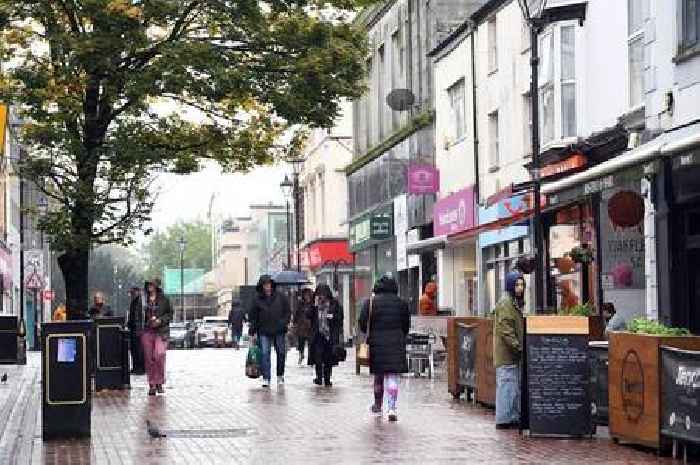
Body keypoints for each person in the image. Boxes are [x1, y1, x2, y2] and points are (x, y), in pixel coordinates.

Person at [358, 275, 410, 422]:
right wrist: (399, 336)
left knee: (378, 376)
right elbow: (406, 325)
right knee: (392, 375)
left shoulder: (371, 303)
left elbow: (362, 323)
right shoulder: (401, 303)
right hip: (396, 343)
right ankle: (392, 408)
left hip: (376, 344)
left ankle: (377, 405)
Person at [493, 270, 526, 430]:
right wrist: (518, 347)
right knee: (507, 384)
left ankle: (511, 417)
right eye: (517, 284)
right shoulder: (506, 303)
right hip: (507, 355)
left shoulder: (512, 302)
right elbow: (506, 329)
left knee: (511, 386)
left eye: (522, 284)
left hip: (510, 354)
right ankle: (505, 418)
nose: (520, 288)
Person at [248, 275, 291, 388]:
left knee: (281, 353)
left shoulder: (280, 296)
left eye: (269, 284)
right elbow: (253, 316)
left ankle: (280, 375)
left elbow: (287, 311)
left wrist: (284, 322)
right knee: (265, 354)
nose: (267, 287)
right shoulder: (257, 299)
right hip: (264, 330)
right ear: (261, 286)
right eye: (265, 285)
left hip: (279, 329)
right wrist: (252, 331)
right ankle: (266, 378)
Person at [307, 284, 343, 387]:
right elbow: (308, 315)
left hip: (329, 335)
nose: (321, 296)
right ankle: (319, 377)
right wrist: (313, 305)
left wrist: (332, 317)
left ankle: (327, 379)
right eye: (319, 294)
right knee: (318, 357)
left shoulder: (334, 304)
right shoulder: (314, 305)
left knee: (328, 358)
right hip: (317, 335)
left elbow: (340, 317)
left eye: (323, 294)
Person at [141, 280, 173, 396]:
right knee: (149, 358)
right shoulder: (143, 299)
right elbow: (137, 315)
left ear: (156, 286)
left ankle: (159, 381)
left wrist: (160, 320)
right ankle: (152, 384)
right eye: (148, 285)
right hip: (147, 331)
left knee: (159, 354)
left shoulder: (164, 299)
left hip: (161, 331)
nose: (149, 287)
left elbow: (170, 314)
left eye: (151, 285)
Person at [127, 287, 146, 374]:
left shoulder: (140, 301)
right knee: (134, 349)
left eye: (132, 292)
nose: (131, 295)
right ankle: (136, 367)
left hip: (138, 330)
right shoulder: (134, 301)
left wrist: (140, 329)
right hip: (134, 329)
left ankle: (140, 368)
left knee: (139, 350)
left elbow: (141, 316)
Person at [294, 288, 314, 365]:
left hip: (310, 327)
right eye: (305, 295)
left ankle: (311, 358)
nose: (306, 296)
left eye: (308, 294)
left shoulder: (312, 304)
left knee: (311, 343)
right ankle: (301, 354)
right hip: (301, 326)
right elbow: (297, 313)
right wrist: (295, 323)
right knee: (301, 342)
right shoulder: (301, 304)